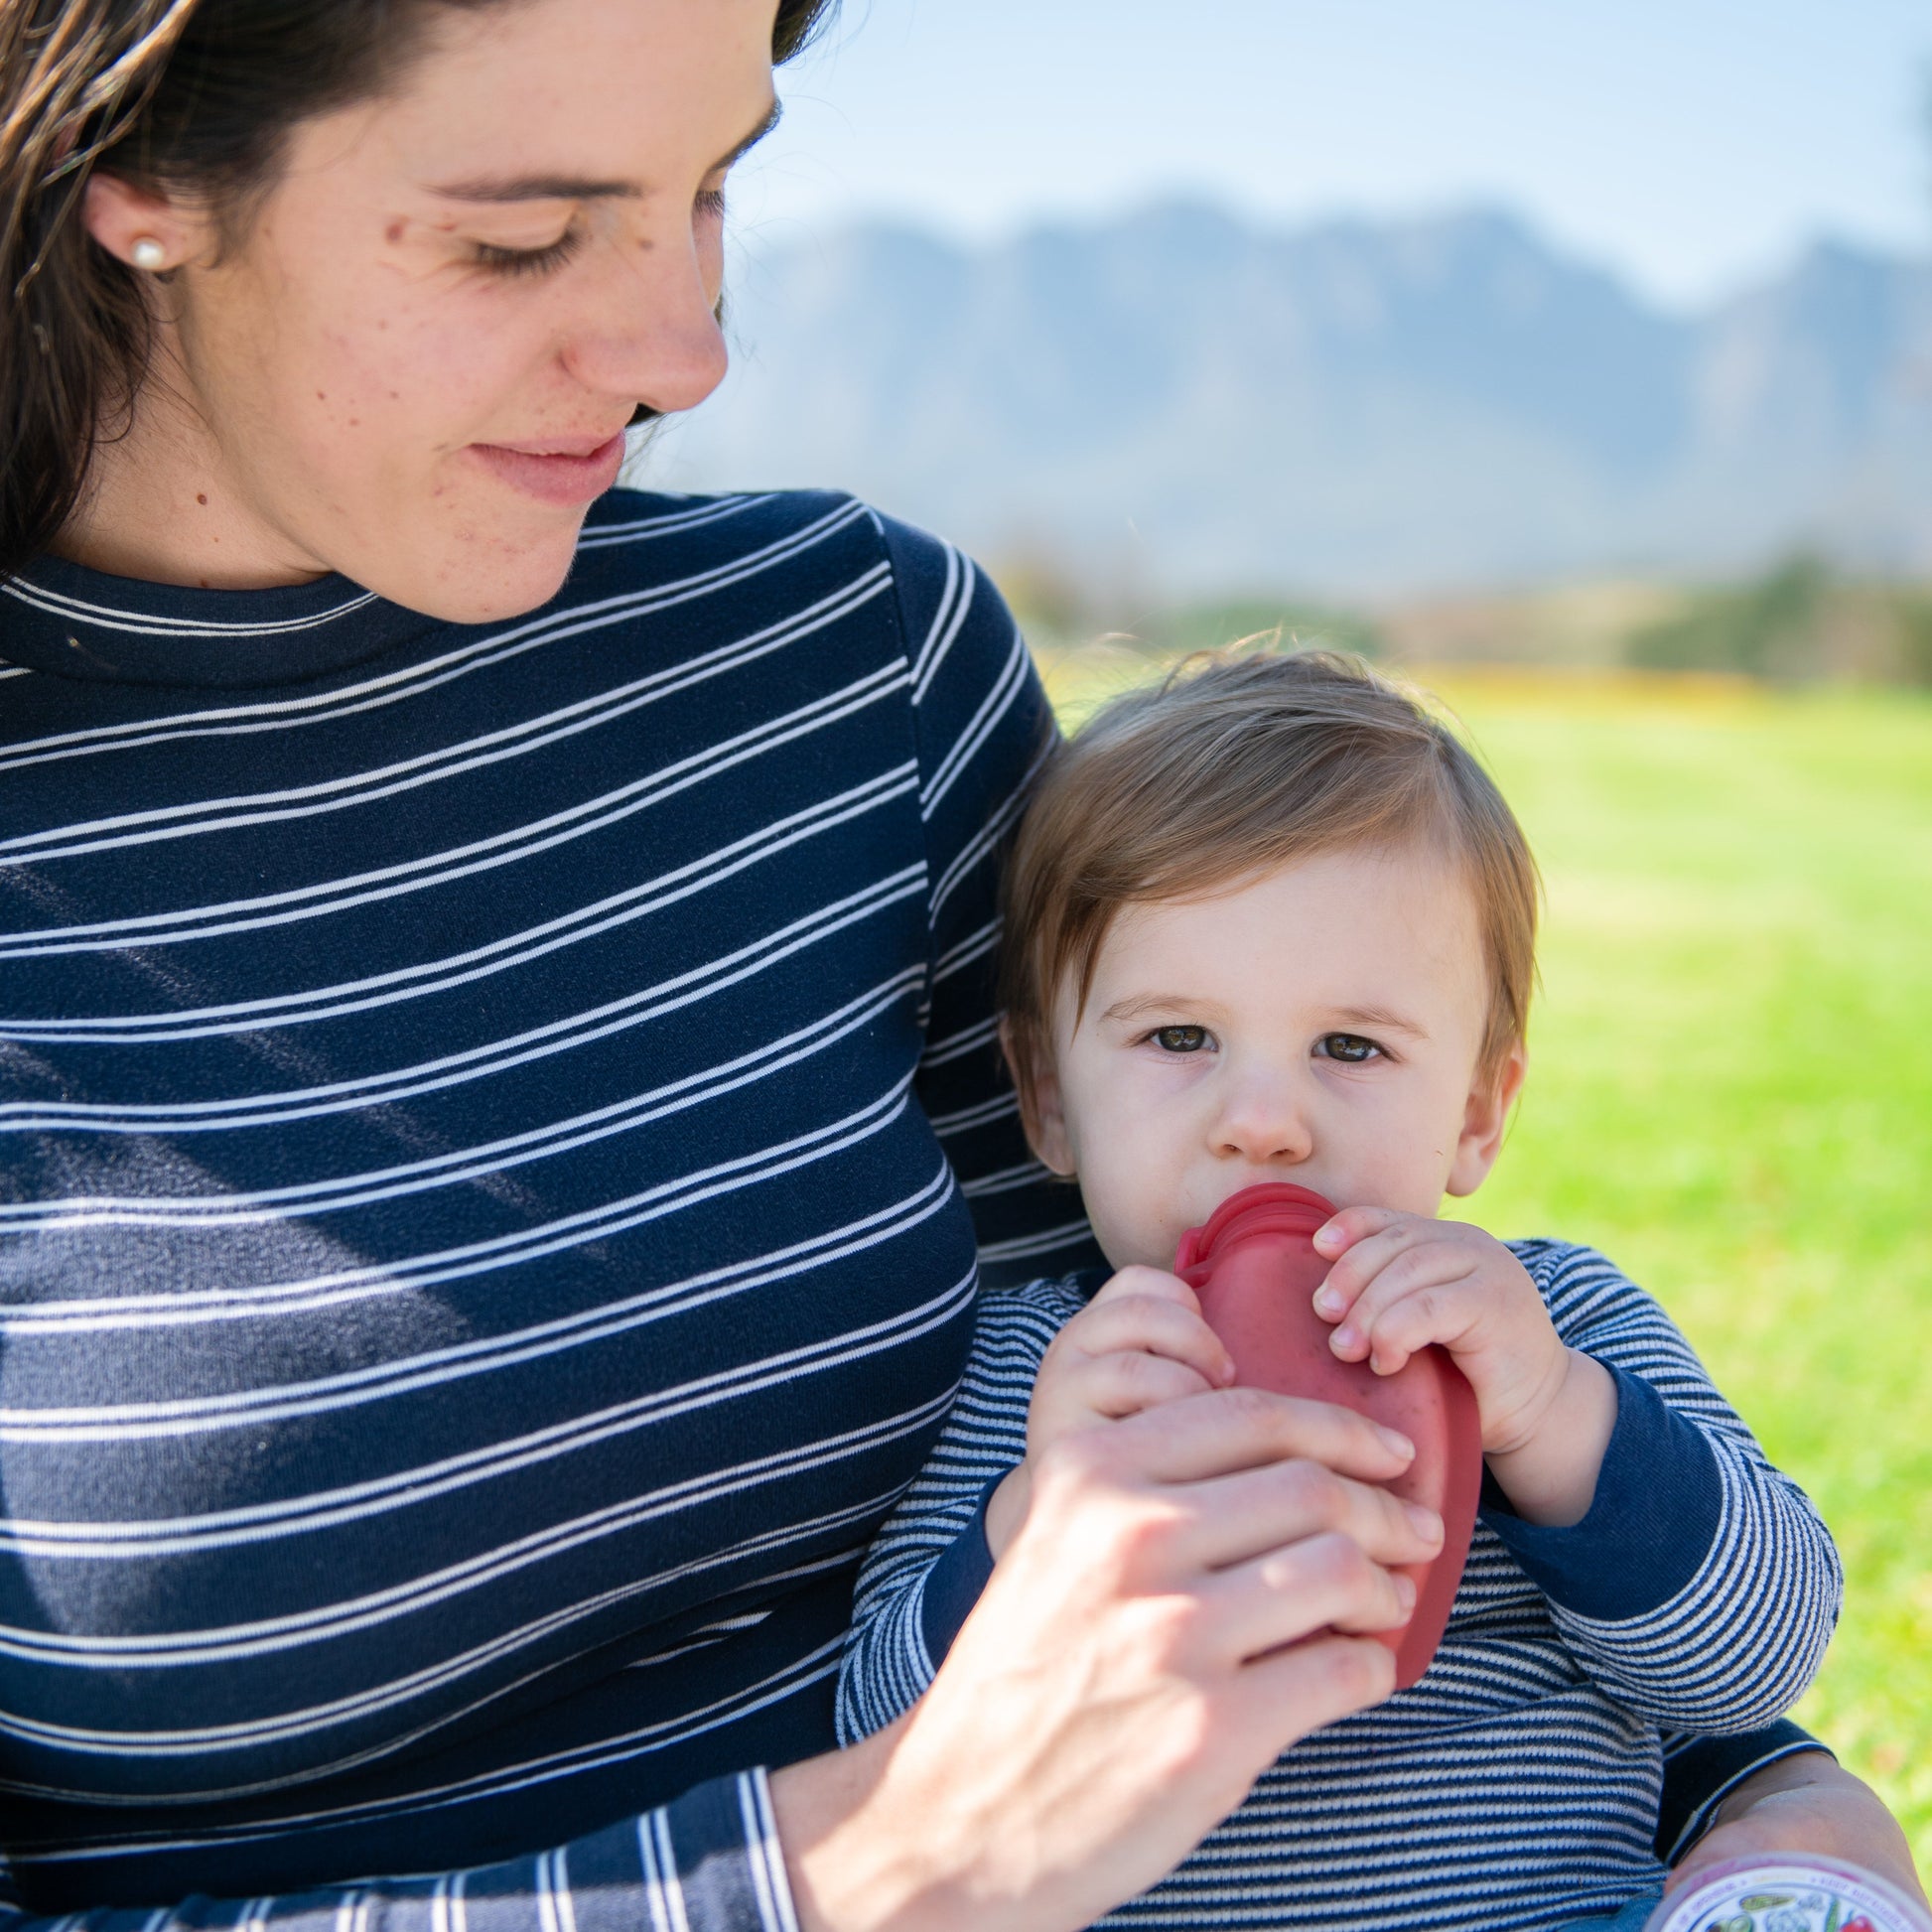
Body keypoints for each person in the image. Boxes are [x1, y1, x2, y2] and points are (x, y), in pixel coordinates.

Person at [0, 2, 1917, 1929]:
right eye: (520, 233)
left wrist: (1760, 1801)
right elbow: (986, 1679)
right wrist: (889, 1869)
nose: (688, 352)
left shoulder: (852, 662)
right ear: (136, 170)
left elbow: (1217, 1352)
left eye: (711, 189)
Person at [834, 650, 1850, 1931]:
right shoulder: (1041, 1379)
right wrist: (1036, 1523)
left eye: (1351, 1047)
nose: (1264, 1122)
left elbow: (1761, 1655)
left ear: (1478, 1111)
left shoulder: (1547, 1330)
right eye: (1179, 1038)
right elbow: (882, 1740)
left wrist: (1553, 1419)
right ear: (1048, 1097)